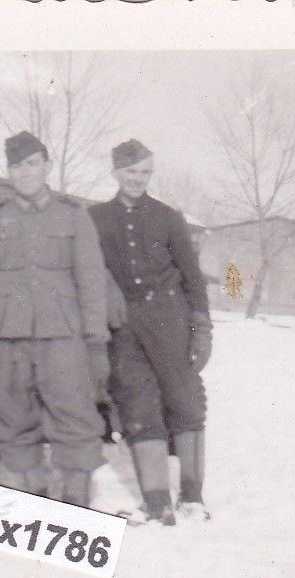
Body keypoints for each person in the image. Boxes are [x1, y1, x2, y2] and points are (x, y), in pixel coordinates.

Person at [0, 131, 110, 507]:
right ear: (9, 171)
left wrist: (95, 342)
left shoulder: (73, 216)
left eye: (31, 164)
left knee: (75, 420)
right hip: (7, 338)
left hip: (63, 338)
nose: (25, 173)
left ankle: (77, 508)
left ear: (46, 166)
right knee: (14, 422)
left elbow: (91, 282)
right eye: (16, 166)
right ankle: (36, 500)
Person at [89, 139, 213, 525]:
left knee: (185, 404)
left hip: (170, 321)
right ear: (114, 172)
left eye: (144, 173)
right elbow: (89, 270)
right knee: (138, 407)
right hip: (124, 327)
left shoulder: (168, 217)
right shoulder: (95, 218)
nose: (137, 180)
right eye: (130, 172)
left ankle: (192, 497)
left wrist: (201, 327)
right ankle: (157, 501)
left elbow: (193, 277)